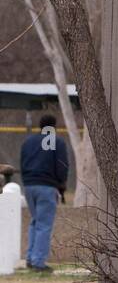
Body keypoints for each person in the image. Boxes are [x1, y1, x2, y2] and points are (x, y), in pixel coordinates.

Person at [20, 114, 69, 273]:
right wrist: (61, 185)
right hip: (47, 187)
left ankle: (30, 257)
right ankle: (38, 262)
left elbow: (22, 162)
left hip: (29, 186)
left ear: (40, 126)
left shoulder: (28, 141)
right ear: (53, 126)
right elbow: (62, 166)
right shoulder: (57, 142)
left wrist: (27, 181)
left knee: (35, 221)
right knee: (44, 225)